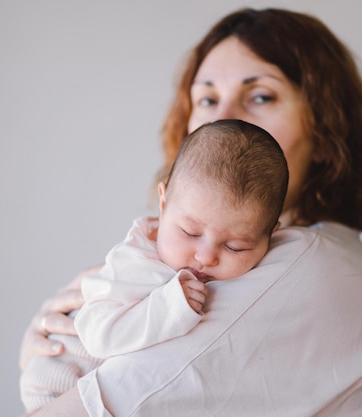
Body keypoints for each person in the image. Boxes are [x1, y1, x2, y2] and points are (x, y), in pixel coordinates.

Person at [19, 7, 362, 417]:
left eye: (260, 96)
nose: (226, 118)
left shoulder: (308, 267)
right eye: (207, 98)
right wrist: (45, 349)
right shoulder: (168, 255)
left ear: (327, 129)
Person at [19, 119, 289, 412]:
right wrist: (169, 305)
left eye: (235, 246)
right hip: (58, 381)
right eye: (190, 232)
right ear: (162, 204)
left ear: (270, 235)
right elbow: (99, 338)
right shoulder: (136, 264)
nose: (206, 256)